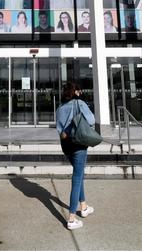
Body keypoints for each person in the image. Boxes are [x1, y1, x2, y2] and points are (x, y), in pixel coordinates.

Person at [55, 82, 96, 230]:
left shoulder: (60, 108)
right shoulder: (79, 103)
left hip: (66, 145)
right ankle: (72, 219)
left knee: (79, 175)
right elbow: (91, 120)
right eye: (79, 90)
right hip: (79, 144)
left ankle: (84, 207)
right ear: (76, 92)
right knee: (77, 178)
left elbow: (59, 129)